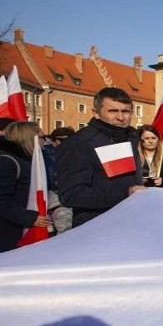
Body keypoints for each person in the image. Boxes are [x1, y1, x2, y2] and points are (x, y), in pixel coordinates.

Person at [57, 87, 146, 227]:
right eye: (113, 111)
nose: (121, 117)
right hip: (96, 226)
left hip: (130, 222)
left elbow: (124, 181)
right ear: (96, 113)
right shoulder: (80, 143)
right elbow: (70, 195)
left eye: (126, 111)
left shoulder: (130, 138)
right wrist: (125, 193)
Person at [0, 122, 52, 252]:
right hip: (9, 232)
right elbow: (2, 200)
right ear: (30, 138)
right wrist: (28, 217)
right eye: (42, 137)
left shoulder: (25, 160)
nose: (44, 141)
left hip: (18, 227)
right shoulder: (8, 161)